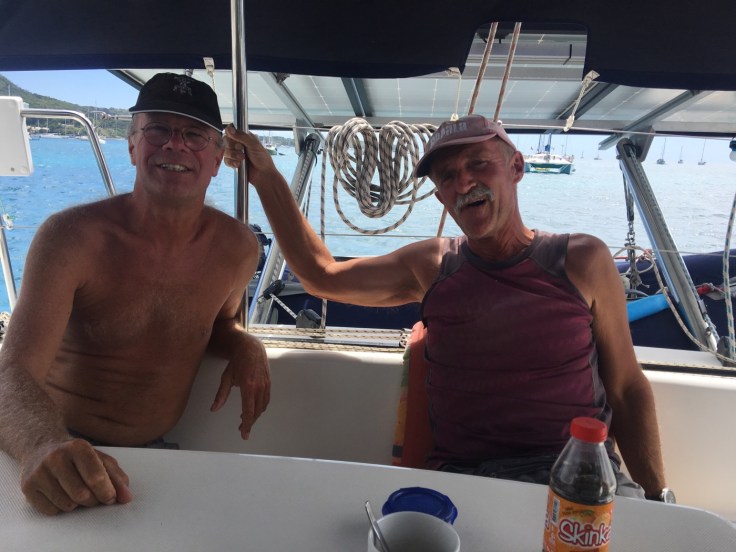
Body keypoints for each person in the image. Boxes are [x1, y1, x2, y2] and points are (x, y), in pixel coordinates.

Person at [223, 114, 668, 500]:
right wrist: (266, 175)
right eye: (448, 176)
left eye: (479, 164)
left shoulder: (582, 260)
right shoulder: (433, 266)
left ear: (516, 167)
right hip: (467, 480)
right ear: (440, 197)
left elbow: (627, 388)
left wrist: (657, 500)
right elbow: (320, 276)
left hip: (580, 479)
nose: (464, 183)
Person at [0, 73, 271, 516]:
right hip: (57, 445)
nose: (175, 145)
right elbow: (13, 371)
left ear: (217, 159)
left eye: (195, 135)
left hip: (158, 457)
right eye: (158, 130)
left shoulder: (238, 248)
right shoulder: (71, 239)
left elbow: (219, 324)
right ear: (131, 146)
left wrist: (245, 343)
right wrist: (43, 444)